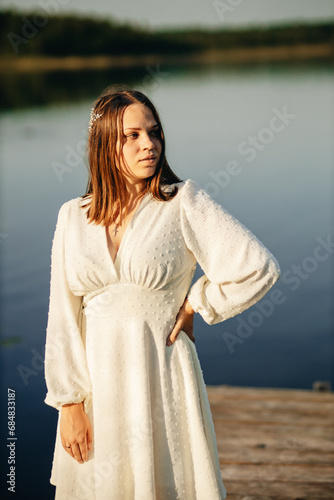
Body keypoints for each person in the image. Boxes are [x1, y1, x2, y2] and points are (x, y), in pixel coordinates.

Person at [44, 85, 281, 500]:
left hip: (162, 377)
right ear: (104, 145)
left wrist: (196, 303)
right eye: (131, 135)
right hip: (97, 389)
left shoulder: (181, 202)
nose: (148, 144)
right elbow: (62, 317)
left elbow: (257, 267)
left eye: (153, 132)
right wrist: (68, 403)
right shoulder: (72, 217)